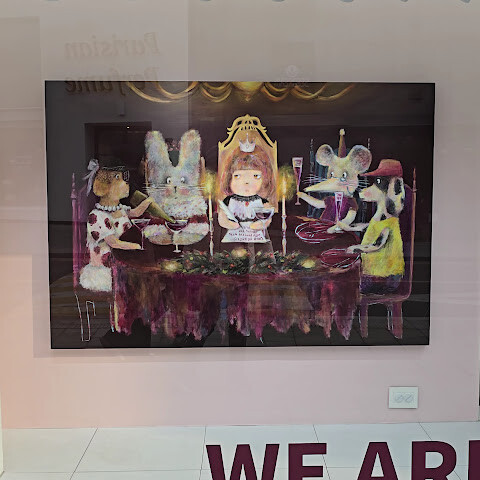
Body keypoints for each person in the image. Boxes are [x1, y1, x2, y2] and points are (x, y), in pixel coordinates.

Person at [79, 159, 153, 292]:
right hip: (107, 269)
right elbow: (113, 243)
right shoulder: (97, 216)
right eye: (118, 178)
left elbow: (136, 212)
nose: (125, 183)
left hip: (124, 259)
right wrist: (137, 247)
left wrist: (149, 201)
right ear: (105, 187)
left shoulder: (120, 209)